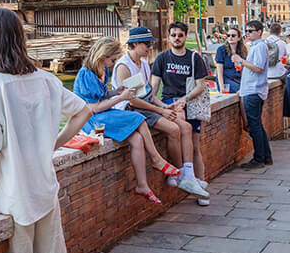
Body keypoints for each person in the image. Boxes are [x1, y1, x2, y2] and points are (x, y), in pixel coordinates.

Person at [0, 8, 92, 253]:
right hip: (45, 188)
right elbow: (83, 112)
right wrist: (54, 143)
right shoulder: (45, 79)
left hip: (14, 196)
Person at [73, 37, 181, 205]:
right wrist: (121, 98)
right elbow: (93, 107)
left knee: (137, 139)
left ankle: (142, 185)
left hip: (102, 113)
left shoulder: (102, 69)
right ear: (103, 55)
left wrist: (115, 92)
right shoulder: (86, 74)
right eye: (113, 59)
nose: (114, 62)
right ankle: (156, 159)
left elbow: (100, 96)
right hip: (90, 118)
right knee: (139, 118)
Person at [113, 26, 209, 200]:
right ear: (135, 44)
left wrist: (165, 107)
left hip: (145, 106)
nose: (150, 47)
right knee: (174, 129)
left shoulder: (143, 64)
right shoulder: (123, 66)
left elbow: (149, 94)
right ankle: (179, 174)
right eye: (147, 44)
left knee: (185, 127)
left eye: (150, 44)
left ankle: (186, 174)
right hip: (130, 109)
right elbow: (132, 100)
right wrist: (160, 110)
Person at [150, 21, 211, 205]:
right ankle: (183, 174)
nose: (177, 38)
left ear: (186, 36)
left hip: (190, 102)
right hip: (169, 101)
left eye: (180, 35)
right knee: (180, 131)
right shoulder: (162, 58)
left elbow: (201, 85)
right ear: (169, 37)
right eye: (173, 35)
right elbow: (152, 89)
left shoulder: (194, 58)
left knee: (195, 145)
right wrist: (162, 106)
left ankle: (197, 184)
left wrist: (185, 98)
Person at [232, 21, 273, 168]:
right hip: (253, 90)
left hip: (253, 91)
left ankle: (259, 159)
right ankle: (266, 156)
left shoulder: (260, 47)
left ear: (260, 32)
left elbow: (258, 68)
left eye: (250, 31)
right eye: (246, 31)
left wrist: (240, 60)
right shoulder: (257, 47)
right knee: (258, 126)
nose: (247, 34)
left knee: (254, 126)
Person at [213, 25, 246, 93]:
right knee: (242, 91)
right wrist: (222, 87)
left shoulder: (242, 51)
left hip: (237, 79)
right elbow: (219, 71)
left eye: (233, 36)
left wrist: (245, 83)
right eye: (228, 35)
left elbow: (243, 70)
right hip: (225, 80)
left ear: (239, 38)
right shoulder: (221, 50)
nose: (230, 37)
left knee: (249, 90)